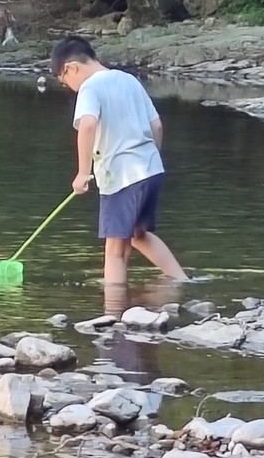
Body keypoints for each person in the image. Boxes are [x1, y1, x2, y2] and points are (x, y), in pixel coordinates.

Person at [50, 35, 189, 286]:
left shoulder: (90, 87)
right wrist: (150, 159)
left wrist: (83, 172)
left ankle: (113, 311)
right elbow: (156, 126)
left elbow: (88, 124)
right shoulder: (129, 80)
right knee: (137, 234)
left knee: (114, 248)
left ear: (71, 68)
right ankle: (182, 280)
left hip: (121, 175)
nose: (68, 86)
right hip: (151, 170)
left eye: (64, 80)